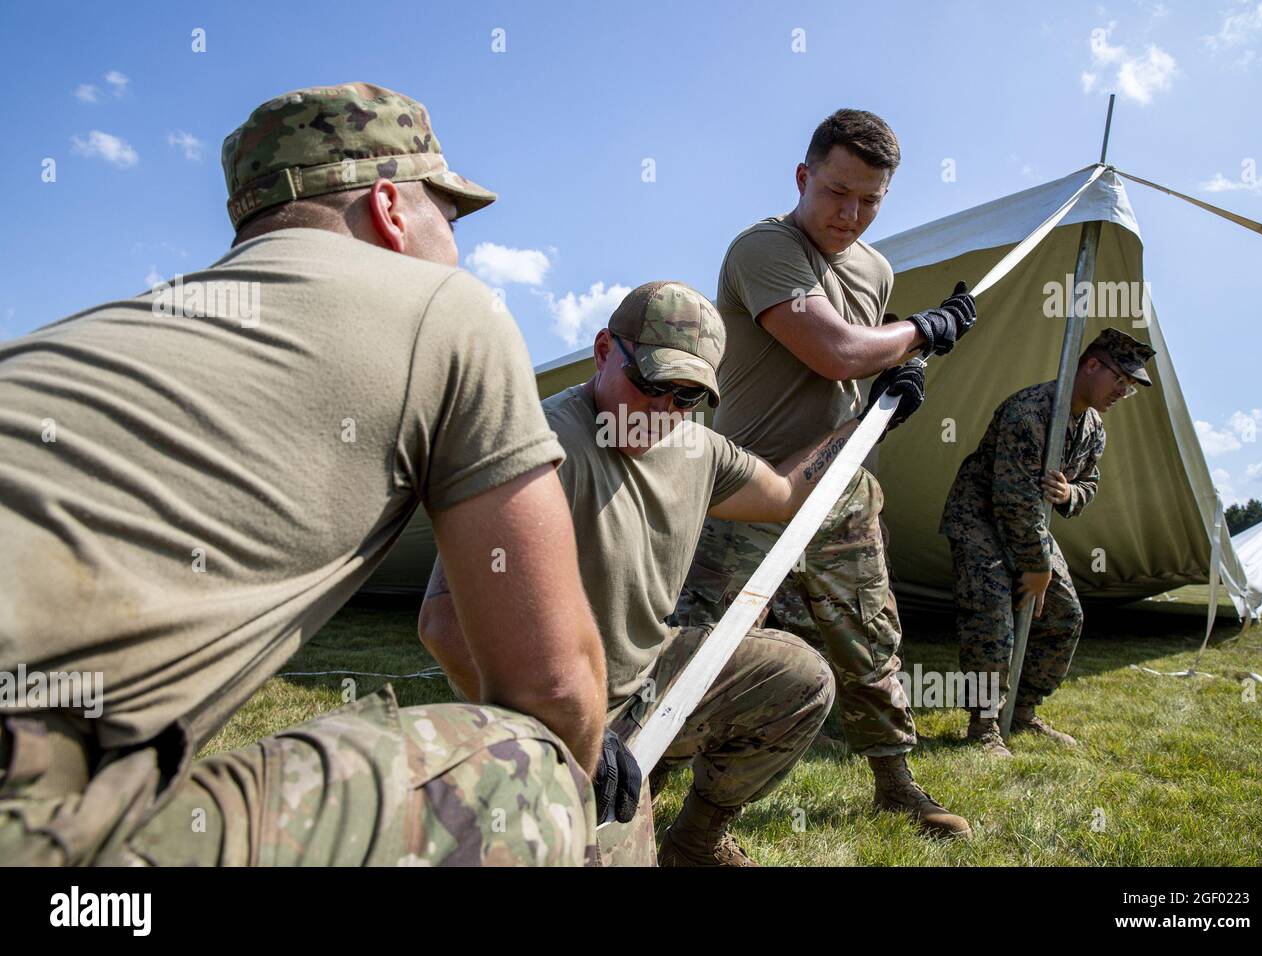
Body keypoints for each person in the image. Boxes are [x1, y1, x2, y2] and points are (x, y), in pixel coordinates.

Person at [0, 83, 608, 866]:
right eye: (448, 219)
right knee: (529, 770)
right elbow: (554, 690)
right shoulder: (448, 308)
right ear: (392, 209)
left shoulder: (102, 337)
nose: (458, 247)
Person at [421, 280, 927, 865]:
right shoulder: (541, 446)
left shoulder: (698, 449)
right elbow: (444, 625)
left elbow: (786, 493)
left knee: (801, 681)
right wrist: (569, 732)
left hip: (647, 681)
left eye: (688, 396)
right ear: (605, 350)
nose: (663, 412)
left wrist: (870, 422)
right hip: (540, 713)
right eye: (653, 385)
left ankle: (696, 839)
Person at [674, 109, 977, 838]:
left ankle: (896, 786)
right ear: (803, 177)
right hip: (747, 491)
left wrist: (894, 368)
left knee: (870, 642)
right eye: (837, 192)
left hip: (840, 488)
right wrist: (923, 331)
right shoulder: (762, 248)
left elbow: (857, 360)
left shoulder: (875, 268)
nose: (851, 214)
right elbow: (836, 352)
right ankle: (633, 780)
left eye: (870, 200)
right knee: (701, 648)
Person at [941, 328, 1157, 756]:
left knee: (1064, 616)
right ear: (1091, 365)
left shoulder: (1093, 428)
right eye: (1120, 380)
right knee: (992, 617)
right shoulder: (1031, 411)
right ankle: (984, 726)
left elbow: (1088, 484)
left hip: (1029, 526)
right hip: (981, 518)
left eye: (1130, 388)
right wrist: (1037, 567)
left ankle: (1020, 713)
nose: (1122, 391)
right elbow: (1011, 498)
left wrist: (1069, 494)